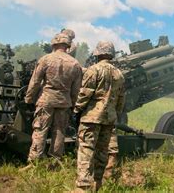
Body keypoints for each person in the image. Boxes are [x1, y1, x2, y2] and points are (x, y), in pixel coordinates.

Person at [73, 41, 125, 192]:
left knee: (86, 151)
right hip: (109, 119)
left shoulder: (93, 70)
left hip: (91, 118)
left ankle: (83, 188)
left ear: (98, 53)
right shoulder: (119, 74)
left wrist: (77, 110)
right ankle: (97, 185)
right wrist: (115, 113)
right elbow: (121, 100)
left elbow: (85, 93)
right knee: (102, 153)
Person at [24, 33, 83, 161]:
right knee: (60, 131)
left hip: (46, 100)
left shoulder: (46, 59)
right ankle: (55, 159)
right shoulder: (75, 63)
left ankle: (35, 160)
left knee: (40, 129)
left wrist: (28, 99)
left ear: (54, 44)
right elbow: (76, 90)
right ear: (67, 46)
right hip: (64, 102)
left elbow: (35, 82)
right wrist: (73, 104)